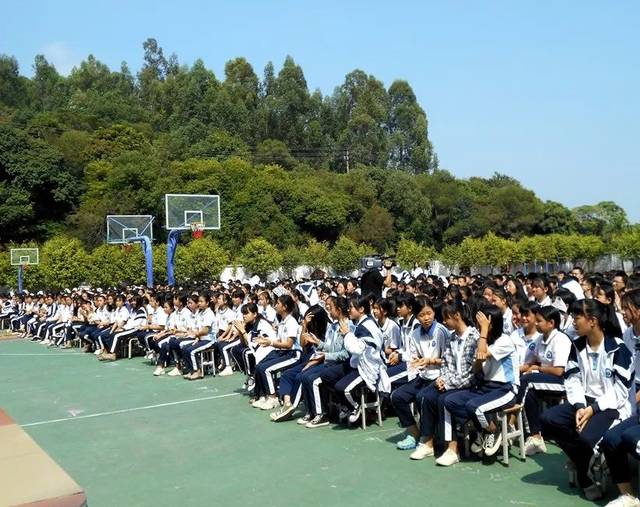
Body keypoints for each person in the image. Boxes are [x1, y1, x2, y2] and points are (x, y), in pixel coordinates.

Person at [541, 300, 633, 501]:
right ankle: (582, 460)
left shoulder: (618, 348)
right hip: (584, 403)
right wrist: (581, 406)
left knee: (585, 440)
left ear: (593, 321)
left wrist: (593, 409)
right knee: (548, 419)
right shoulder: (578, 346)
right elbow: (572, 380)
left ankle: (584, 475)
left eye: (577, 317)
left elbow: (621, 392)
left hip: (611, 406)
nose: (573, 321)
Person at [444, 304, 520, 458]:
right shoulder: (483, 340)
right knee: (450, 401)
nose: (478, 325)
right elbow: (477, 366)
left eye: (482, 322)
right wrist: (483, 337)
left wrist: (484, 331)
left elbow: (483, 354)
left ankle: (493, 431)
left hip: (505, 389)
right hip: (486, 387)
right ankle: (485, 429)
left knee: (474, 407)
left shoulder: (505, 340)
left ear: (491, 324)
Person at [391, 297, 449, 451]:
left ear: (434, 313)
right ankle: (413, 432)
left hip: (440, 377)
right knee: (397, 396)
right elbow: (413, 357)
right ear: (416, 316)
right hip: (422, 377)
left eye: (429, 313)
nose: (426, 318)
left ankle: (428, 437)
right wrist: (415, 363)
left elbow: (449, 361)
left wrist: (430, 361)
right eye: (422, 315)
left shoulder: (441, 332)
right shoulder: (415, 334)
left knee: (421, 397)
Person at [516, 306, 572, 455]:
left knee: (527, 380)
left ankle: (511, 418)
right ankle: (535, 436)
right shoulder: (540, 339)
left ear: (551, 323)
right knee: (529, 391)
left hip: (561, 382)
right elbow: (530, 362)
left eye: (539, 321)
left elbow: (559, 371)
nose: (536, 324)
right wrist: (516, 370)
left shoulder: (561, 339)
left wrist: (537, 369)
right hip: (544, 380)